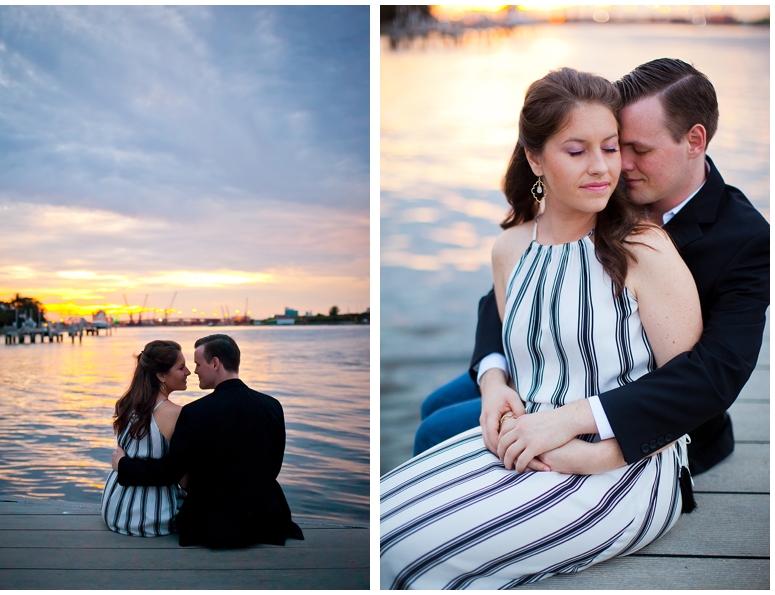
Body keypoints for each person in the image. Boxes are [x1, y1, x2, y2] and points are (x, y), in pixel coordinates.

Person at [382, 67, 702, 588]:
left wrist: (595, 452)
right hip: (521, 442)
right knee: (382, 521)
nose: (601, 168)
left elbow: (685, 395)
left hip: (623, 469)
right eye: (576, 151)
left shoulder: (644, 249)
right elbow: (523, 350)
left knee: (410, 553)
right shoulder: (510, 249)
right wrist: (495, 385)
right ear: (535, 158)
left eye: (610, 147)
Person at [414, 58, 770, 476]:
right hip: (559, 363)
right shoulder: (601, 182)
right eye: (620, 144)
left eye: (636, 149)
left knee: (437, 429)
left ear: (694, 141)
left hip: (650, 415)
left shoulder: (745, 239)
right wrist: (493, 376)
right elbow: (520, 284)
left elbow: (714, 374)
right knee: (436, 403)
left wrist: (590, 441)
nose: (616, 166)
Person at [112, 334, 304, 548]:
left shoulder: (195, 412)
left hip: (212, 526)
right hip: (264, 520)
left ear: (215, 363)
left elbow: (171, 471)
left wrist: (124, 466)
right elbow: (273, 466)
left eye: (197, 364)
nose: (194, 371)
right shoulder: (273, 406)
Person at [102, 339, 189, 536]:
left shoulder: (127, 404)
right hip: (152, 517)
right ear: (161, 375)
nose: (188, 372)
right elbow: (183, 480)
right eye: (181, 367)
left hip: (115, 508)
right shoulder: (176, 414)